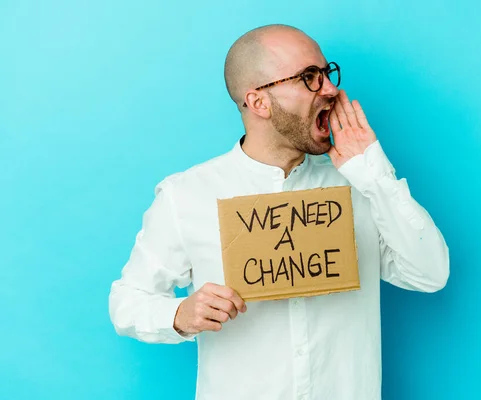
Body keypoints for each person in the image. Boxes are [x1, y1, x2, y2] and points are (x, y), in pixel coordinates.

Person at [109, 24, 449, 400]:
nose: (331, 89)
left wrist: (376, 175)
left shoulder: (359, 185)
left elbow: (430, 274)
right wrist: (179, 314)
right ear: (259, 103)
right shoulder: (187, 195)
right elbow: (127, 302)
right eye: (309, 78)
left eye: (326, 73)